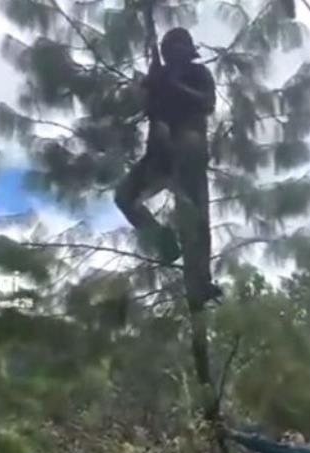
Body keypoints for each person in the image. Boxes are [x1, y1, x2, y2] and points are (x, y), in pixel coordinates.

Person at [115, 27, 221, 307]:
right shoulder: (158, 76)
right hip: (159, 156)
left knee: (197, 216)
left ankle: (201, 280)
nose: (172, 53)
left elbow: (207, 102)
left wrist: (175, 86)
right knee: (124, 197)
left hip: (189, 151)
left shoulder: (199, 74)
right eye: (168, 49)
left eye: (178, 48)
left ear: (187, 51)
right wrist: (150, 84)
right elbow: (141, 103)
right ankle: (163, 241)